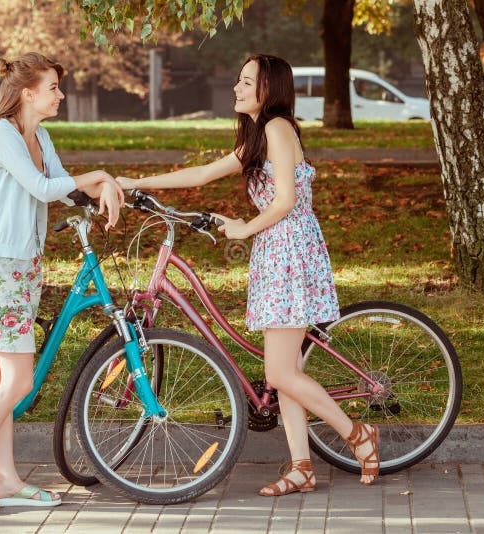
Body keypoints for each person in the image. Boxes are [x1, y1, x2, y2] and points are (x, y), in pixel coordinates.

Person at [116, 54, 380, 497]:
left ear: (268, 88)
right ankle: (301, 468)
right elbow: (202, 174)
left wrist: (242, 227)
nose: (236, 89)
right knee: (286, 370)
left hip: (289, 252)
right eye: (238, 80)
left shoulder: (277, 128)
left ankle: (357, 434)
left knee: (279, 373)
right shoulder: (260, 134)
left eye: (245, 82)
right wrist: (132, 182)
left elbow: (285, 201)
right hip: (277, 252)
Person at [0, 52, 124, 515]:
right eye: (53, 88)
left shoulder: (39, 135)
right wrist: (101, 174)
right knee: (19, 380)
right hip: (1, 265)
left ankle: (4, 479)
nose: (60, 95)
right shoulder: (0, 135)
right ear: (27, 93)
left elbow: (63, 186)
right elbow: (42, 188)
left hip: (24, 263)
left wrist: (104, 188)